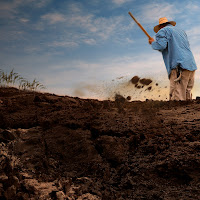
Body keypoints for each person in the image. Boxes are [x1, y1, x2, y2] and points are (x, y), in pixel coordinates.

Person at [149, 17, 197, 100]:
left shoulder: (163, 31)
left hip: (178, 65)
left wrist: (153, 43)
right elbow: (175, 47)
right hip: (190, 63)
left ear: (160, 26)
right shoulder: (181, 32)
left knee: (177, 95)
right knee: (187, 92)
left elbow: (161, 46)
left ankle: (178, 112)